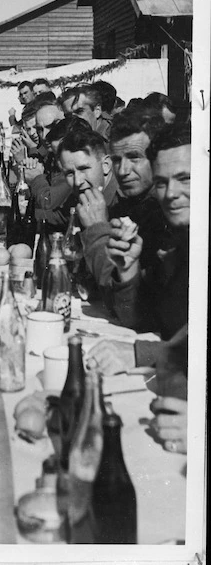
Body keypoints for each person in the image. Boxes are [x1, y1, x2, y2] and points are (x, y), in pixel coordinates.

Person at [87, 122, 191, 417]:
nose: (171, 193)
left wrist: (139, 354)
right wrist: (129, 270)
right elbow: (142, 318)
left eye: (185, 178)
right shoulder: (179, 238)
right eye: (161, 182)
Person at [79, 107, 171, 294]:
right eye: (117, 160)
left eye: (134, 157)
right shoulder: (126, 206)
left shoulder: (168, 214)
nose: (122, 171)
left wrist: (97, 230)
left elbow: (124, 297)